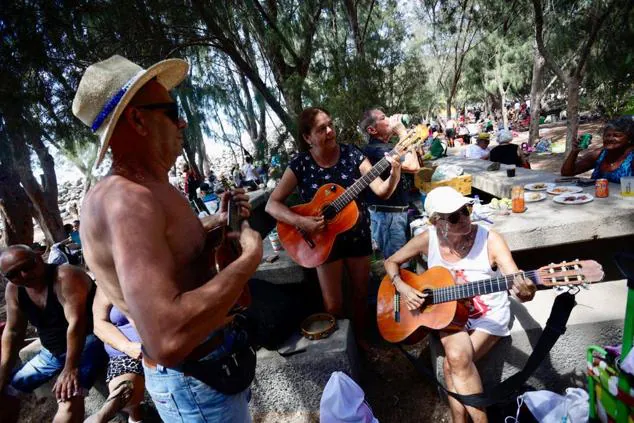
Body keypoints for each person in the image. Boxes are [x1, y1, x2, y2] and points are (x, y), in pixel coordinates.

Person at [73, 55, 262, 421]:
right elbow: (168, 339)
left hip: (207, 373)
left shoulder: (146, 190)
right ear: (137, 119)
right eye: (172, 111)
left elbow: (169, 253)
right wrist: (249, 259)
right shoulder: (128, 200)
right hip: (195, 381)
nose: (183, 122)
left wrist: (220, 222)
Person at [384, 187, 536, 423]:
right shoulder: (428, 238)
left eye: (466, 210)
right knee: (454, 362)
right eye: (454, 216)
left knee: (454, 362)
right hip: (449, 315)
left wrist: (525, 290)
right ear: (436, 222)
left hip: (488, 315)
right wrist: (402, 287)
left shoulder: (490, 239)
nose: (465, 218)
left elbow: (515, 277)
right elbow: (391, 262)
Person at [265, 107, 401, 349]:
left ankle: (360, 342)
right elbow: (271, 205)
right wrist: (302, 222)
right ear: (307, 137)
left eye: (330, 124)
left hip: (357, 236)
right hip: (321, 241)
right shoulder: (300, 164)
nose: (330, 131)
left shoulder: (352, 155)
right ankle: (341, 350)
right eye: (321, 129)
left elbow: (382, 190)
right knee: (333, 304)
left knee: (360, 295)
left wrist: (395, 170)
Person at [0, 245, 121, 423]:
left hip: (88, 342)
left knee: (68, 397)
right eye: (13, 274)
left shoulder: (65, 277)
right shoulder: (14, 290)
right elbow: (13, 331)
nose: (23, 275)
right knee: (7, 390)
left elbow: (76, 323)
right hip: (52, 352)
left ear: (39, 258)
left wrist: (70, 368)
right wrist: (3, 373)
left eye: (27, 267)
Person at [360, 109, 421, 259]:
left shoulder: (383, 148)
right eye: (383, 118)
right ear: (372, 130)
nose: (389, 119)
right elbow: (414, 166)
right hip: (389, 216)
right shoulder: (378, 150)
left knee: (399, 260)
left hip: (391, 214)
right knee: (398, 263)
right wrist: (402, 132)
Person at [92, 287, 145, 423]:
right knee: (124, 389)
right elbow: (98, 323)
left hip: (164, 345)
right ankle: (103, 415)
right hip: (126, 352)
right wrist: (127, 347)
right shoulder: (108, 277)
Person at [561, 116, 634, 183]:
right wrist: (574, 152)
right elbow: (567, 173)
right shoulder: (600, 154)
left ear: (629, 139)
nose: (610, 139)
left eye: (617, 135)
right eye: (607, 135)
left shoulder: (631, 157)